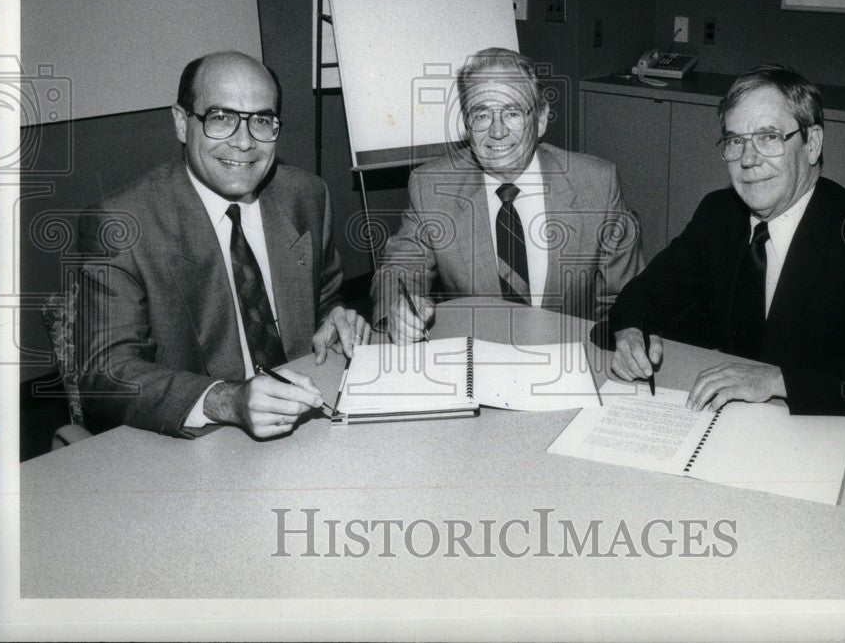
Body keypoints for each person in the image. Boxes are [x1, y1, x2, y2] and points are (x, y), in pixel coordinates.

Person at [605, 64, 845, 417]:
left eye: (768, 138)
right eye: (735, 141)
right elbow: (646, 292)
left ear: (812, 144)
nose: (748, 160)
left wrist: (776, 380)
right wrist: (628, 332)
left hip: (820, 434)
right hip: (724, 419)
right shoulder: (718, 215)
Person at [76, 52, 370, 438]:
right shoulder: (122, 224)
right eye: (221, 118)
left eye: (262, 120)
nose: (245, 142)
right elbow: (106, 372)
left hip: (307, 415)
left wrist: (333, 319)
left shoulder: (306, 195)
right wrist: (228, 401)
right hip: (197, 439)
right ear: (182, 123)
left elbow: (325, 300)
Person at [372, 47, 643, 342]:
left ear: (540, 119)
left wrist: (627, 333)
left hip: (568, 355)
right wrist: (398, 306)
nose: (497, 131)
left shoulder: (596, 184)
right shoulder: (431, 186)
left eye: (512, 113)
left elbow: (624, 297)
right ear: (467, 125)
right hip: (477, 358)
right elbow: (399, 270)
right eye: (482, 115)